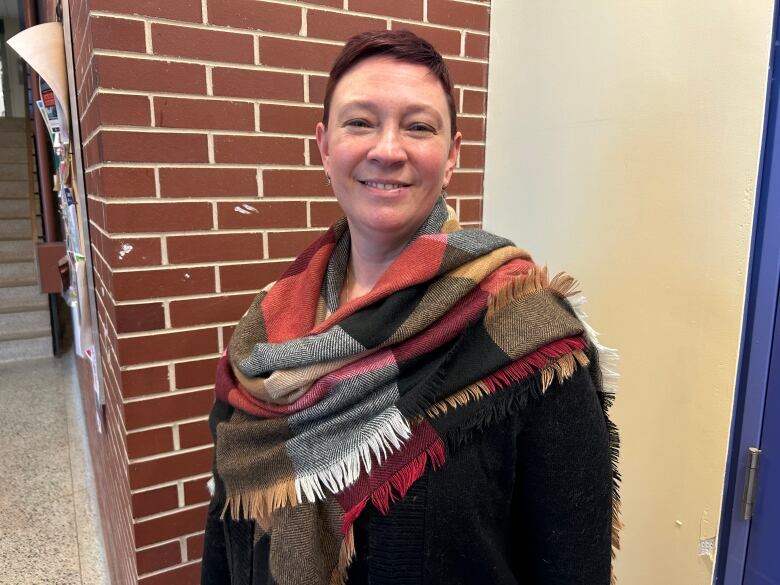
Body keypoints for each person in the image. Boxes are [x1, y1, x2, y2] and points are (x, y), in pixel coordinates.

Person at [201, 30, 619, 585]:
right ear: (324, 147)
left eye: (419, 126)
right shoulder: (267, 334)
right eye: (360, 122)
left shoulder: (529, 335)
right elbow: (226, 532)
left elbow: (574, 566)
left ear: (451, 157)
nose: (388, 149)